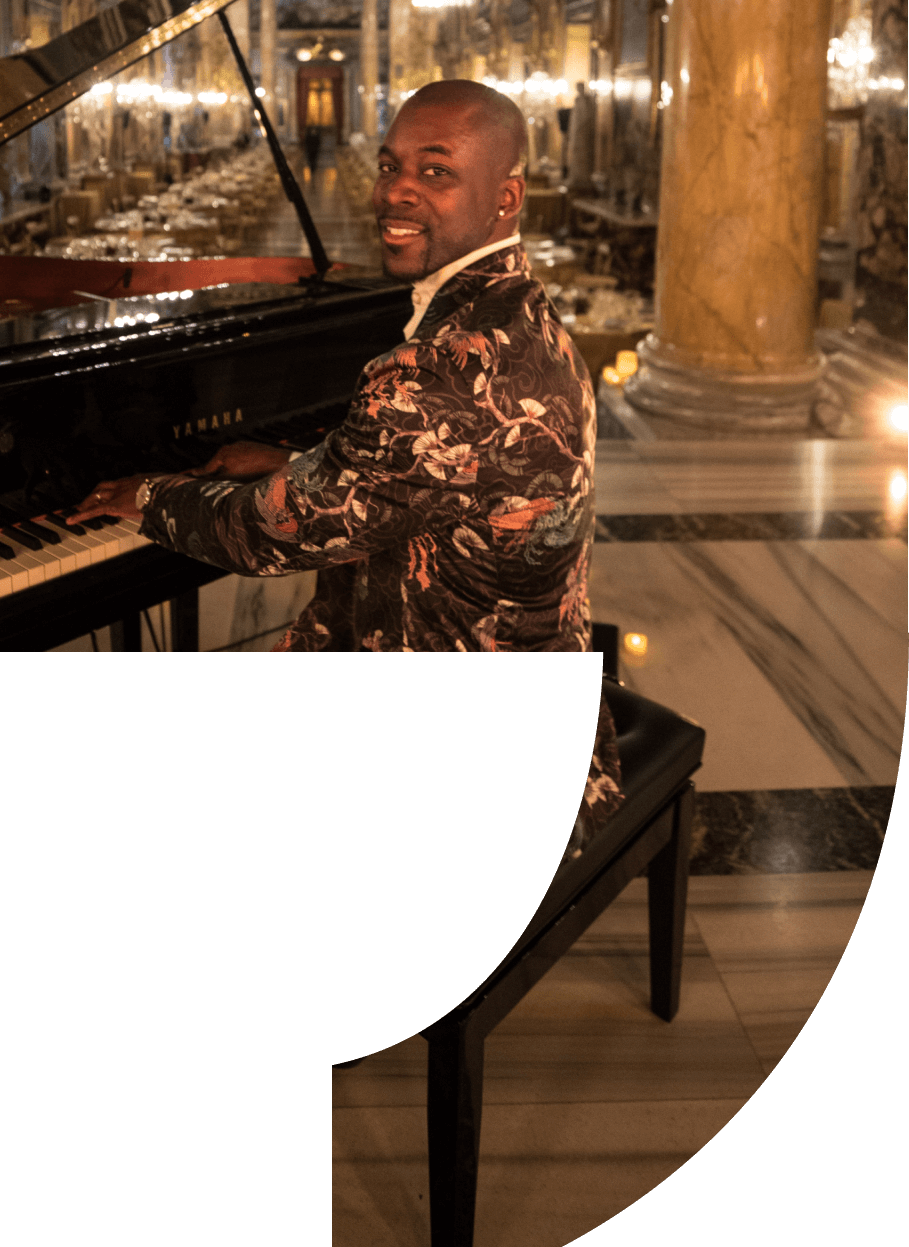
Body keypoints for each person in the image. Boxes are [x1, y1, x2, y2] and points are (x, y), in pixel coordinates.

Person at [69, 79, 625, 856]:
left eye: (436, 171)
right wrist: (300, 460)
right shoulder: (520, 312)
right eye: (390, 165)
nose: (395, 190)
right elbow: (432, 478)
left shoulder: (439, 367)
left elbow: (271, 533)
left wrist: (149, 494)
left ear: (506, 198)